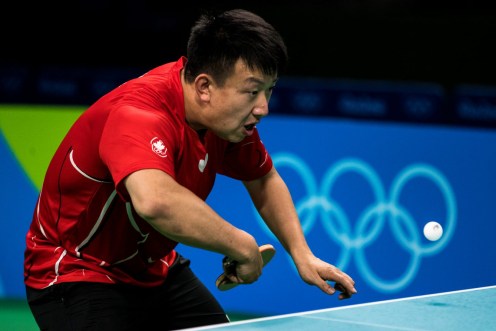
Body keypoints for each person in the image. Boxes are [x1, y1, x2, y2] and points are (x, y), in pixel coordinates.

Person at [24, 8, 357, 331]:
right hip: (76, 272)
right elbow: (155, 201)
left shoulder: (225, 120)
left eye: (269, 90)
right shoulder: (138, 114)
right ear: (204, 87)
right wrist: (240, 245)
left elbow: (263, 178)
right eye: (252, 91)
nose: (263, 107)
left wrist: (302, 255)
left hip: (153, 269)